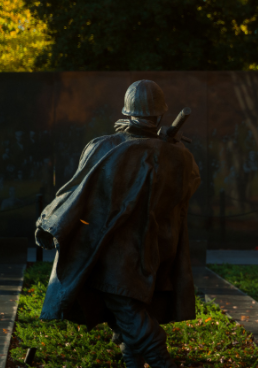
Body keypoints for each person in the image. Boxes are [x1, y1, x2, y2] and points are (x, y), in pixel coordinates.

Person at [35, 80, 200, 368]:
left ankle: (163, 362)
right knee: (129, 309)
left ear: (126, 113)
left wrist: (53, 224)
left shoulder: (105, 146)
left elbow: (76, 191)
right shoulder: (180, 156)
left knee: (126, 310)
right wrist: (165, 143)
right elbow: (190, 185)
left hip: (115, 253)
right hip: (158, 250)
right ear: (160, 115)